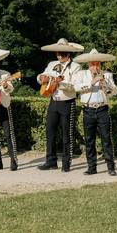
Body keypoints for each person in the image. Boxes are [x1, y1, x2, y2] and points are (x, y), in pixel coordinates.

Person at [37, 38, 83, 172]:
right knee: (50, 131)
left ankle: (66, 163)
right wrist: (41, 78)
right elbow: (41, 76)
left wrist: (59, 84)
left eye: (63, 53)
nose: (60, 56)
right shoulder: (52, 64)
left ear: (68, 54)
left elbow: (74, 86)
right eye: (58, 53)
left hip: (67, 102)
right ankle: (50, 161)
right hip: (53, 101)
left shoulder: (76, 67)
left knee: (66, 133)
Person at [72, 49, 117, 176]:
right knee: (89, 140)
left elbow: (114, 92)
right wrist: (91, 82)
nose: (95, 66)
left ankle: (111, 167)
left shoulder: (107, 75)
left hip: (103, 109)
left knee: (106, 139)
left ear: (100, 64)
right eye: (92, 64)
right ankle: (92, 167)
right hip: (88, 109)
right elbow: (75, 88)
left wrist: (105, 83)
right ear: (88, 64)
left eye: (97, 64)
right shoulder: (82, 74)